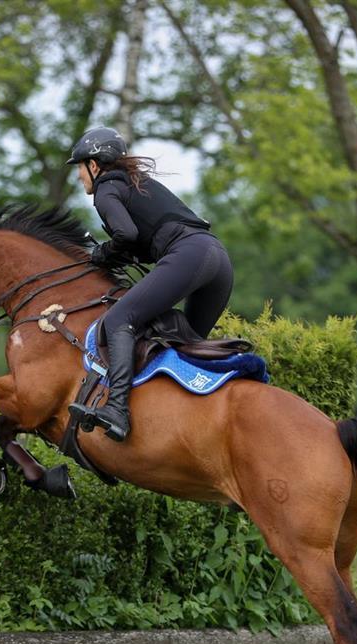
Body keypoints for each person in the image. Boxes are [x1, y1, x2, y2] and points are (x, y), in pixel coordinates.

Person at [66, 126, 234, 442]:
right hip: (217, 259)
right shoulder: (136, 184)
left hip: (189, 254)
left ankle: (116, 409)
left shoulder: (106, 188)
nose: (79, 176)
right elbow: (141, 237)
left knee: (119, 319)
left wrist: (103, 252)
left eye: (80, 166)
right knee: (188, 348)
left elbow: (125, 235)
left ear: (95, 164)